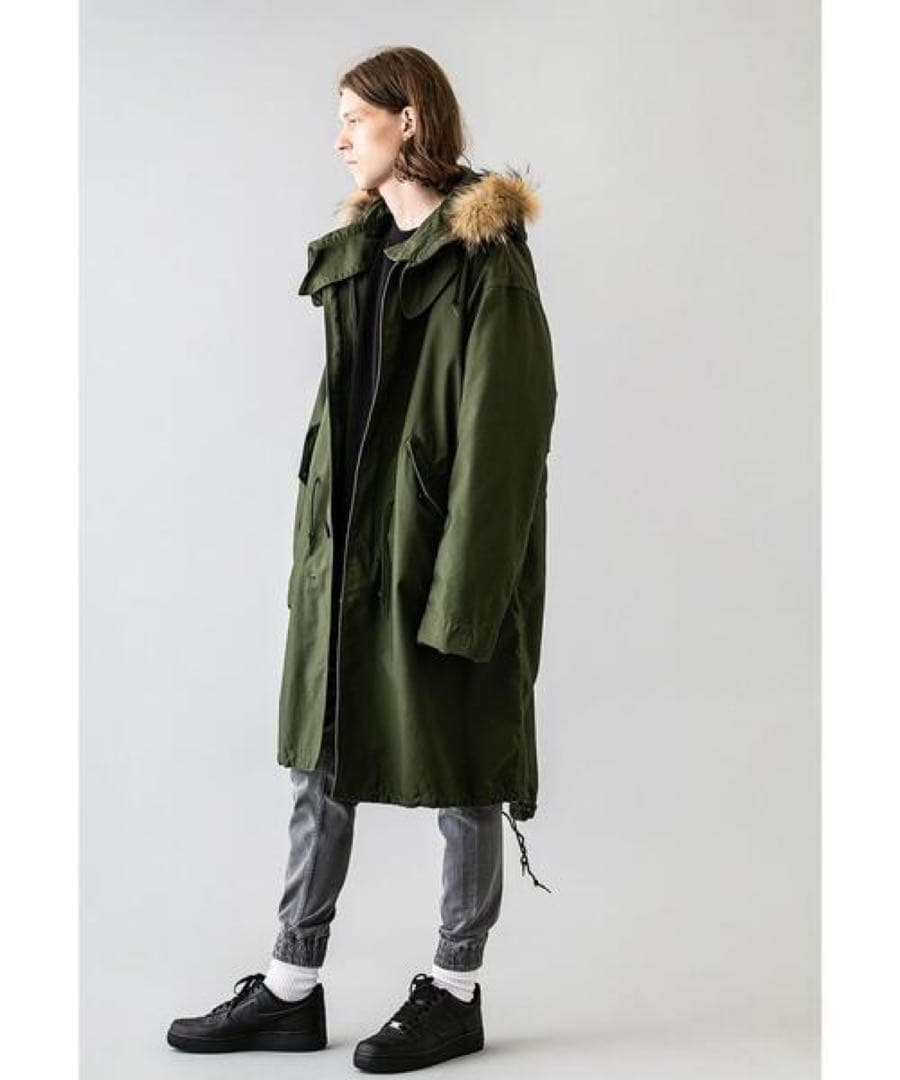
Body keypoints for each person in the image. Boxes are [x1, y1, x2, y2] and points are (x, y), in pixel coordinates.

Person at [166, 45, 557, 1072]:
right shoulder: (361, 258)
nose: (338, 139)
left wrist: (465, 601)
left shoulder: (485, 262)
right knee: (320, 761)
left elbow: (506, 442)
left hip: (439, 564)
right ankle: (290, 988)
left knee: (464, 766)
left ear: (409, 121)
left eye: (354, 117)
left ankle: (454, 991)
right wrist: (314, 559)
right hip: (348, 563)